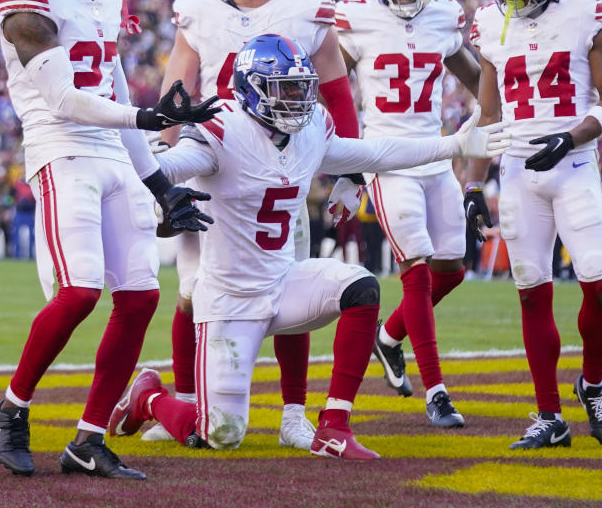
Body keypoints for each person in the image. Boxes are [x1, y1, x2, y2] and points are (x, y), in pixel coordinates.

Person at [108, 34, 510, 459]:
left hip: (283, 284)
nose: (297, 98)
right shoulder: (223, 127)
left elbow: (376, 152)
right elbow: (166, 168)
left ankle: (334, 427)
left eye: (301, 86)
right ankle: (148, 398)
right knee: (221, 432)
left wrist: (454, 145)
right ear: (251, 88)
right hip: (230, 300)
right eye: (285, 88)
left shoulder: (311, 129)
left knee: (362, 286)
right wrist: (144, 146)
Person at [0, 0, 219, 480]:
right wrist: (146, 118)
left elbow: (113, 82)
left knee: (140, 296)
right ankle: (12, 409)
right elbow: (65, 99)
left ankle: (88, 439)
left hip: (113, 152)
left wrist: (158, 182)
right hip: (61, 149)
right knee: (80, 292)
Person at [143, 0, 363, 450]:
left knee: (290, 280)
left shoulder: (307, 8)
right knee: (193, 294)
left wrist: (350, 173)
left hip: (278, 167)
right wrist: (162, 175)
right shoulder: (196, 8)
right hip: (215, 162)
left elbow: (337, 94)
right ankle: (187, 401)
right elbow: (177, 92)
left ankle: (293, 412)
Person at [465, 0, 602, 450]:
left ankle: (593, 384)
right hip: (516, 173)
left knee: (599, 288)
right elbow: (487, 114)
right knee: (532, 294)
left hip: (574, 165)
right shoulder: (491, 23)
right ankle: (549, 415)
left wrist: (571, 136)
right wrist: (472, 187)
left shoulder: (588, 9)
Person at [335, 0, 481, 427]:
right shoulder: (357, 20)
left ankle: (388, 338)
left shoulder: (443, 16)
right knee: (416, 273)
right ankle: (437, 392)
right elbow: (333, 86)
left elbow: (478, 78)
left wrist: (503, 105)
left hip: (436, 157)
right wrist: (349, 162)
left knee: (452, 271)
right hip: (387, 158)